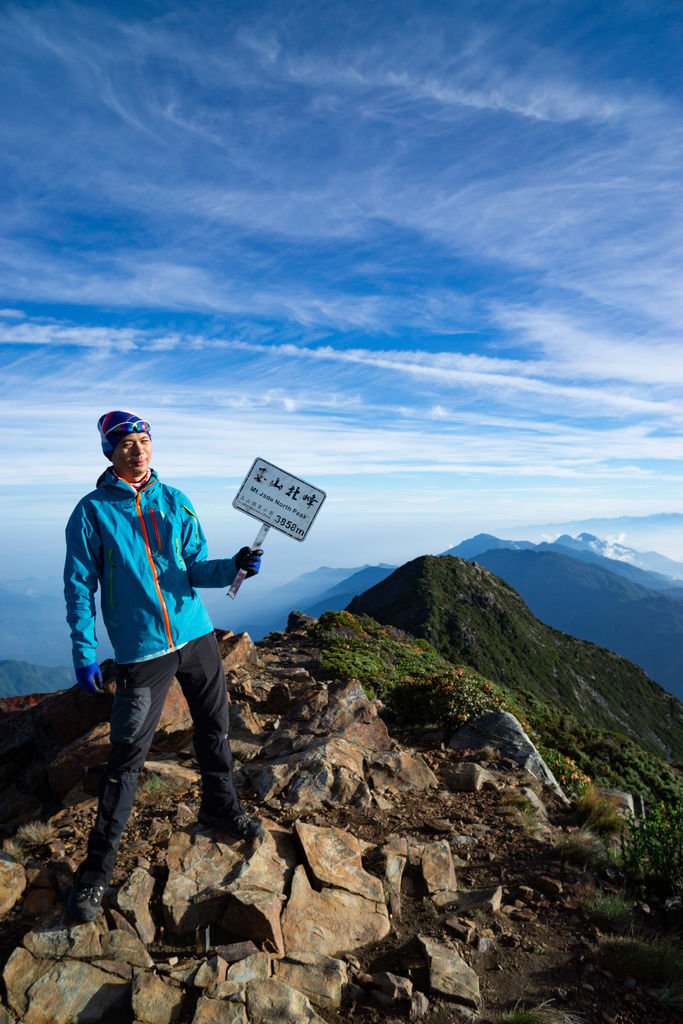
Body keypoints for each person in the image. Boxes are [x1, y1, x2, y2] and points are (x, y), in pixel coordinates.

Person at [64, 410, 264, 923]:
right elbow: (79, 588)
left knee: (215, 728)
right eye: (126, 442)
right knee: (127, 758)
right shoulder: (91, 513)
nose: (137, 449)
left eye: (143, 440)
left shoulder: (175, 500)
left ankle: (220, 806)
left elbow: (192, 566)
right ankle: (95, 872)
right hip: (142, 652)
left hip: (195, 634)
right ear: (109, 451)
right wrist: (84, 651)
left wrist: (236, 564)